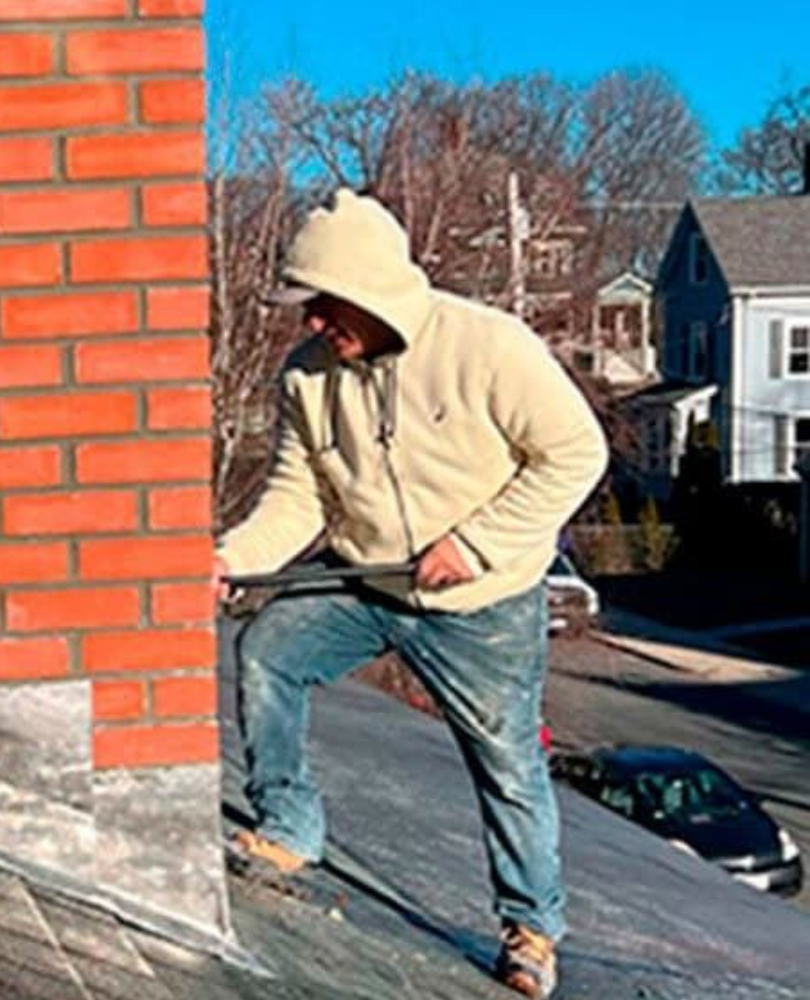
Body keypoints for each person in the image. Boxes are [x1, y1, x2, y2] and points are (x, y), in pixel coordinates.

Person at [213, 190, 608, 1000]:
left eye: (322, 303)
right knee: (269, 651)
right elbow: (298, 496)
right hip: (367, 580)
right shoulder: (307, 376)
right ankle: (289, 827)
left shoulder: (489, 348)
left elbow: (575, 454)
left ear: (368, 290)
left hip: (484, 605)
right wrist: (230, 558)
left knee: (507, 763)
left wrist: (474, 545)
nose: (312, 322)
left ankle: (532, 928)